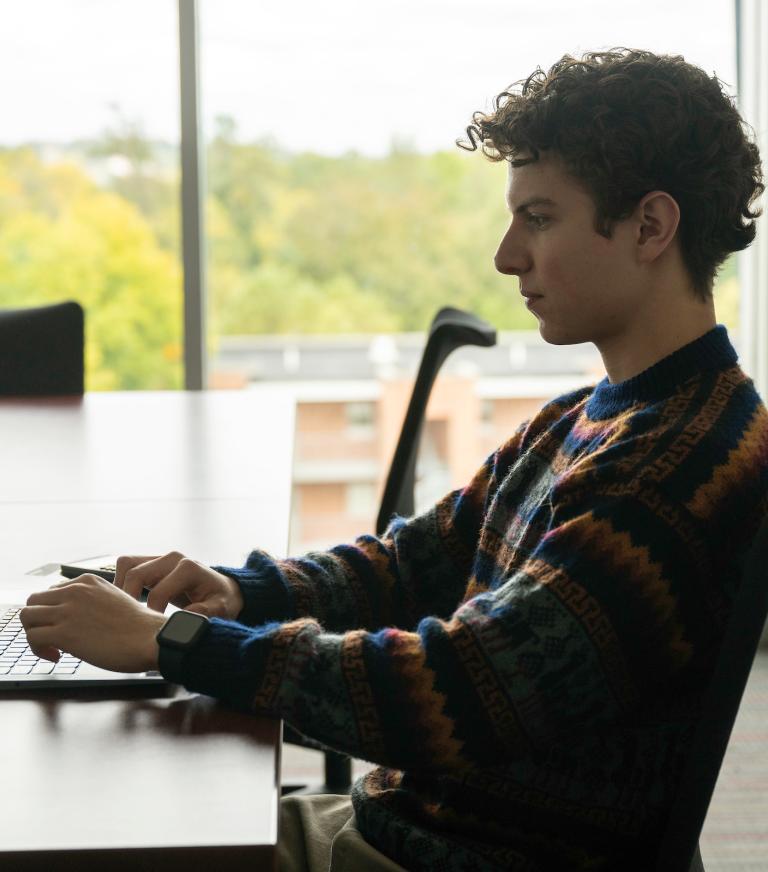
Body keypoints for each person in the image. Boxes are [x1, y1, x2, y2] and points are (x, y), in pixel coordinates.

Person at [21, 47, 768, 871]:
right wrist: (239, 591)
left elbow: (457, 689)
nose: (506, 255)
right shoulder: (600, 418)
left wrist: (177, 646)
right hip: (415, 830)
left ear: (651, 227)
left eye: (541, 217)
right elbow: (413, 563)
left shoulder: (669, 472)